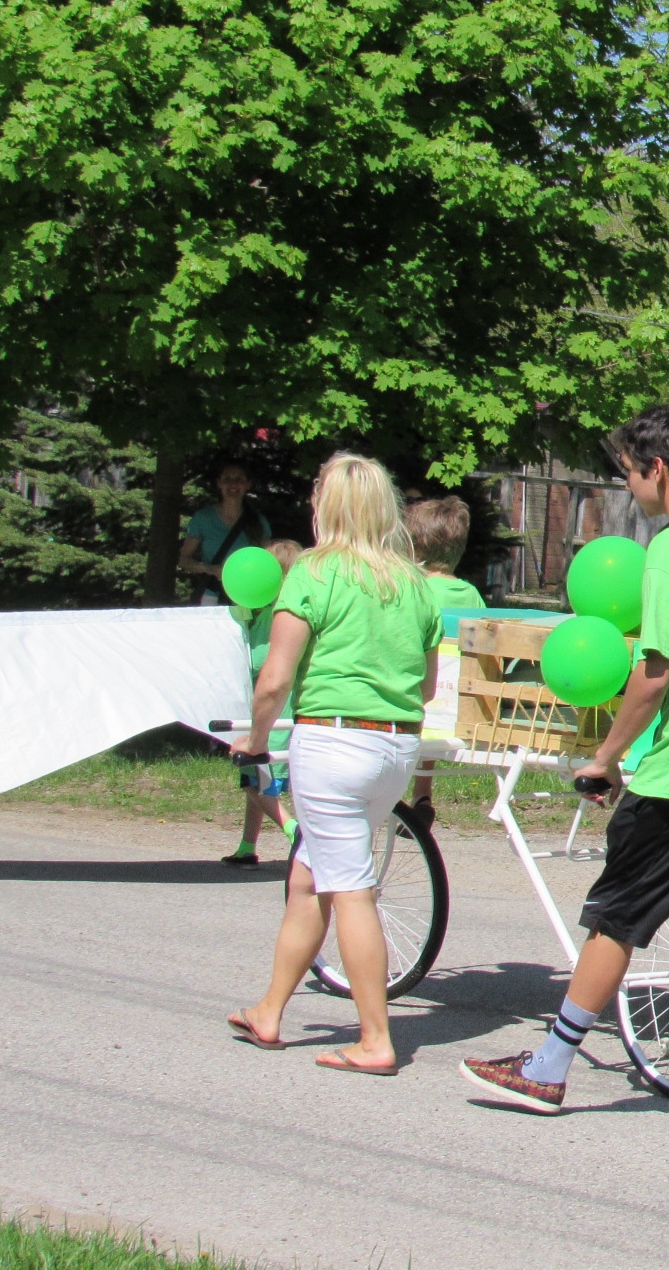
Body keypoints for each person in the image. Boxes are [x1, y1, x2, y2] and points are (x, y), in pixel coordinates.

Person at [460, 405, 669, 1143]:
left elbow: (654, 673)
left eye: (629, 473)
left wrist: (605, 757)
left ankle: (548, 1068)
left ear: (656, 469)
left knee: (616, 914)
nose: (631, 488)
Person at [225, 454, 441, 1077]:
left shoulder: (313, 574)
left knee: (350, 891)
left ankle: (376, 1038)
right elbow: (425, 686)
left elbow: (274, 679)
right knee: (308, 879)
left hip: (333, 745)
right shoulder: (413, 583)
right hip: (394, 748)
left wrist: (256, 739)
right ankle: (269, 1009)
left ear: (329, 506)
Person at [403, 496, 484, 828]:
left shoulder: (412, 591)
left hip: (421, 701)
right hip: (458, 707)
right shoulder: (472, 595)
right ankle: (422, 795)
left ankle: (403, 797)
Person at [223, 539, 303, 867]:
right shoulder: (298, 611)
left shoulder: (274, 615)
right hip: (292, 708)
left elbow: (260, 660)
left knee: (256, 783)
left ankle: (293, 829)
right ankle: (247, 846)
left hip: (273, 712)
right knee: (257, 778)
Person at [179, 461, 271, 605]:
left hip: (246, 596)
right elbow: (184, 560)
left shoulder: (259, 522)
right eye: (227, 479)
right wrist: (208, 568)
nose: (233, 484)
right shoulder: (203, 518)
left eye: (239, 479)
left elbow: (268, 562)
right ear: (219, 484)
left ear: (248, 484)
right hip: (211, 595)